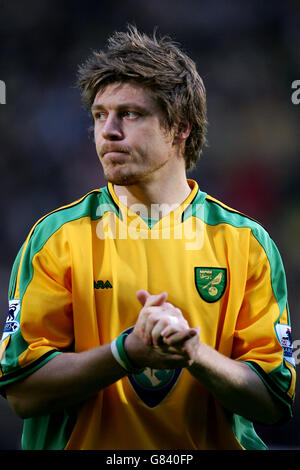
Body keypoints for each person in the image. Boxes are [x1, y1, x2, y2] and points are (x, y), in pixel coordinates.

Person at [0, 25, 296, 450]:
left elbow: (273, 400)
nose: (108, 131)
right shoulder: (56, 238)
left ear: (181, 129)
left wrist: (195, 352)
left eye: (130, 114)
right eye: (100, 115)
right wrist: (127, 354)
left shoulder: (247, 244)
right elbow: (23, 393)